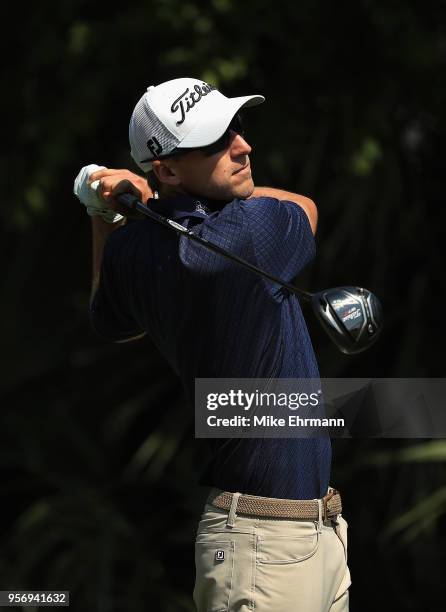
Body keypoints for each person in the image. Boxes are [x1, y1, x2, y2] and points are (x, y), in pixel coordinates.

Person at [74, 77, 351, 611]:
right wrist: (148, 201)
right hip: (262, 547)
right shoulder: (248, 233)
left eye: (237, 129)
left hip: (302, 533)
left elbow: (111, 318)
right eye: (216, 141)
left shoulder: (133, 249)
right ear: (169, 169)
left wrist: (102, 213)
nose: (243, 147)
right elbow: (306, 206)